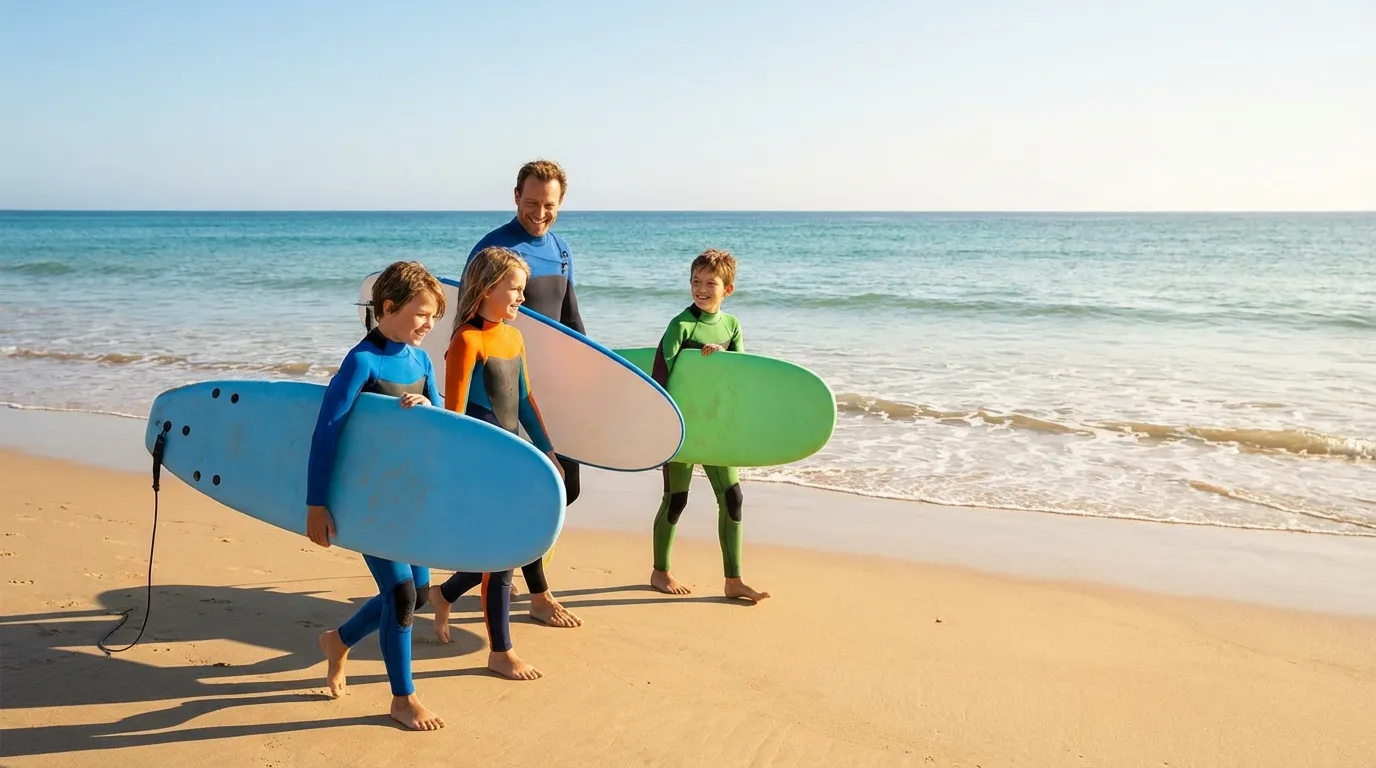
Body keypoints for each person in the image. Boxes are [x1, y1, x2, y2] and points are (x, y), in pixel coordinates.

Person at [308, 260, 447, 731]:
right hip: (368, 497)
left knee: (421, 592)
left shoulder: (421, 360)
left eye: (434, 317)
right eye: (422, 314)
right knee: (403, 593)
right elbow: (326, 432)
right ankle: (402, 699)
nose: (429, 325)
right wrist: (316, 503)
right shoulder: (362, 362)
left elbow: (443, 421)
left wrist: (429, 405)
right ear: (388, 307)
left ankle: (340, 640)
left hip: (408, 495)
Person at [428, 245, 559, 680]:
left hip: (516, 459)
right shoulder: (467, 341)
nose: (522, 297)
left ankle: (444, 595)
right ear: (486, 288)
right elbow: (456, 417)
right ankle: (500, 652)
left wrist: (548, 450)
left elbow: (523, 399)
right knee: (503, 555)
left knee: (504, 550)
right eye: (515, 289)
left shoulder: (513, 336)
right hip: (484, 466)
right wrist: (457, 474)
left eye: (523, 289)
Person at [464, 158, 582, 628]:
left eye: (548, 204)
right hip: (503, 390)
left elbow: (571, 321)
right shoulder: (493, 247)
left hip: (545, 388)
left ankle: (460, 586)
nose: (539, 212)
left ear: (561, 203)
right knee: (532, 490)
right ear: (516, 196)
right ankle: (537, 592)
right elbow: (469, 323)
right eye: (531, 202)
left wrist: (593, 376)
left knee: (566, 486)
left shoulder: (561, 249)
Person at [648, 249, 770, 603]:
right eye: (695, 282)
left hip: (716, 428)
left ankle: (734, 581)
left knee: (733, 499)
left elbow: (739, 374)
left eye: (710, 283)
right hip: (682, 429)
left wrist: (722, 358)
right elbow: (659, 377)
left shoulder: (732, 326)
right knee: (676, 500)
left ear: (727, 289)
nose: (701, 289)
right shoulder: (681, 325)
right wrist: (660, 428)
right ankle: (660, 572)